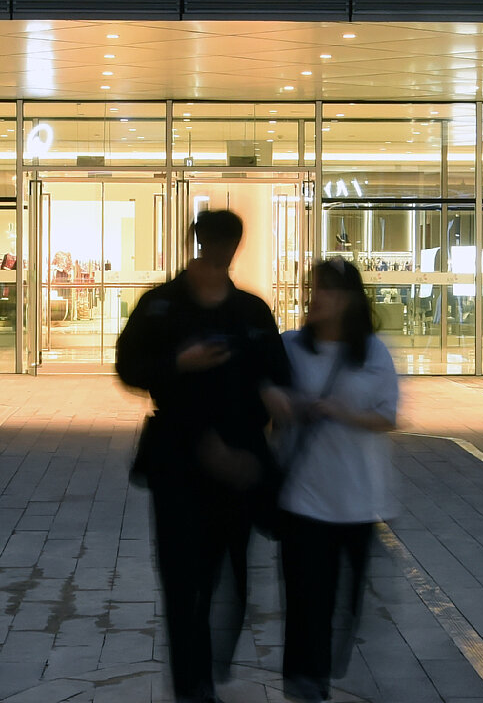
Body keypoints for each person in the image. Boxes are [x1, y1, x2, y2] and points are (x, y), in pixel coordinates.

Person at [116, 207, 291, 703]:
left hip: (237, 465)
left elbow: (276, 373)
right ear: (202, 243)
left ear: (234, 248)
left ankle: (206, 665)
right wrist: (178, 363)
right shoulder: (162, 306)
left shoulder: (251, 312)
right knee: (182, 578)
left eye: (227, 244)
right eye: (215, 243)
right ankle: (194, 684)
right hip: (178, 462)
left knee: (229, 576)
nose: (221, 252)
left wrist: (273, 398)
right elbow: (129, 367)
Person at [276, 256, 401, 703]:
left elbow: (387, 416)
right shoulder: (290, 346)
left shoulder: (373, 352)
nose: (315, 297)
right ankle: (305, 682)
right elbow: (255, 384)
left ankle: (319, 672)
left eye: (326, 289)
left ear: (348, 300)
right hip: (302, 498)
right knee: (307, 600)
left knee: (345, 604)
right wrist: (273, 399)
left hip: (359, 500)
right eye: (313, 288)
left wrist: (338, 412)